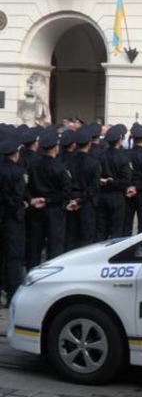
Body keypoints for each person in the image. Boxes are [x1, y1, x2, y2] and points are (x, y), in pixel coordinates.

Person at [26, 127, 72, 268]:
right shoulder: (60, 167)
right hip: (54, 210)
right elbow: (66, 192)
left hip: (36, 210)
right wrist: (48, 200)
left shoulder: (32, 165)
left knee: (35, 246)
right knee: (55, 246)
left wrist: (32, 199)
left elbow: (26, 186)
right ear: (55, 147)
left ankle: (32, 272)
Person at [0, 134, 29, 305]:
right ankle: (12, 293)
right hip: (12, 219)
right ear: (16, 154)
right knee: (14, 256)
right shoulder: (18, 172)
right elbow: (17, 197)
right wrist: (22, 204)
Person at [64, 125, 101, 250]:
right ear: (89, 143)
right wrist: (80, 200)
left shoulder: (67, 161)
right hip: (86, 203)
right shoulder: (93, 163)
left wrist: (72, 199)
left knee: (71, 236)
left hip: (71, 201)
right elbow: (94, 187)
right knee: (87, 237)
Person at [96, 124, 133, 241]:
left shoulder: (100, 156)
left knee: (102, 228)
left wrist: (103, 181)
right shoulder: (123, 157)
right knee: (117, 229)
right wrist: (113, 182)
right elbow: (127, 179)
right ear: (119, 140)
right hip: (117, 196)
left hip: (102, 194)